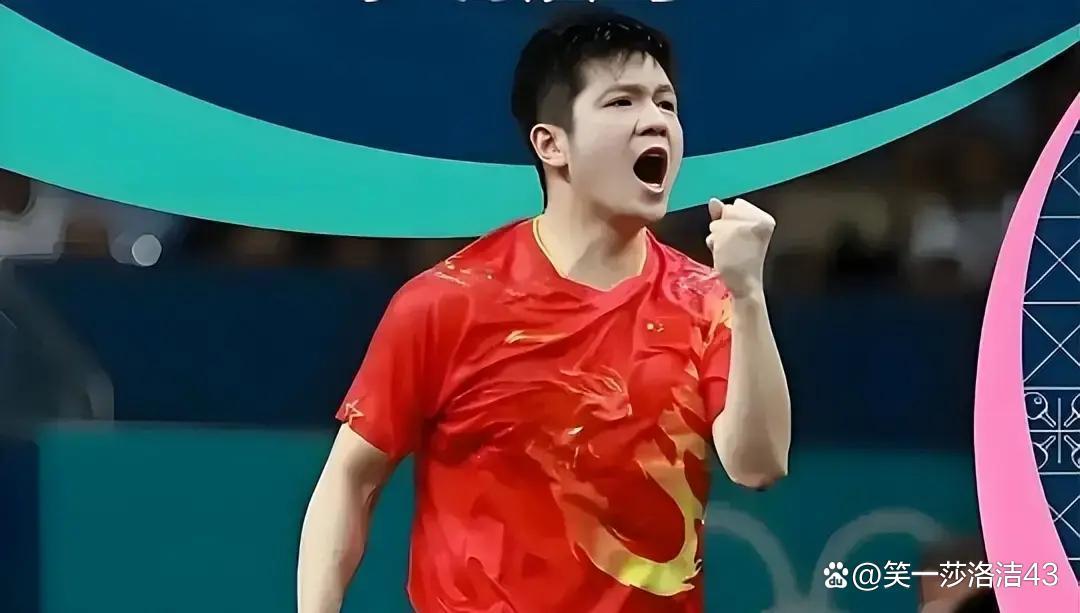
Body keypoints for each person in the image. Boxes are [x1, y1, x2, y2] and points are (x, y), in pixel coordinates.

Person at [297, 10, 791, 613]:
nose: (656, 120)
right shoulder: (448, 301)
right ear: (551, 144)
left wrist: (748, 294)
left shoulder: (707, 299)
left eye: (666, 103)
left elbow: (757, 464)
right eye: (622, 102)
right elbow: (352, 480)